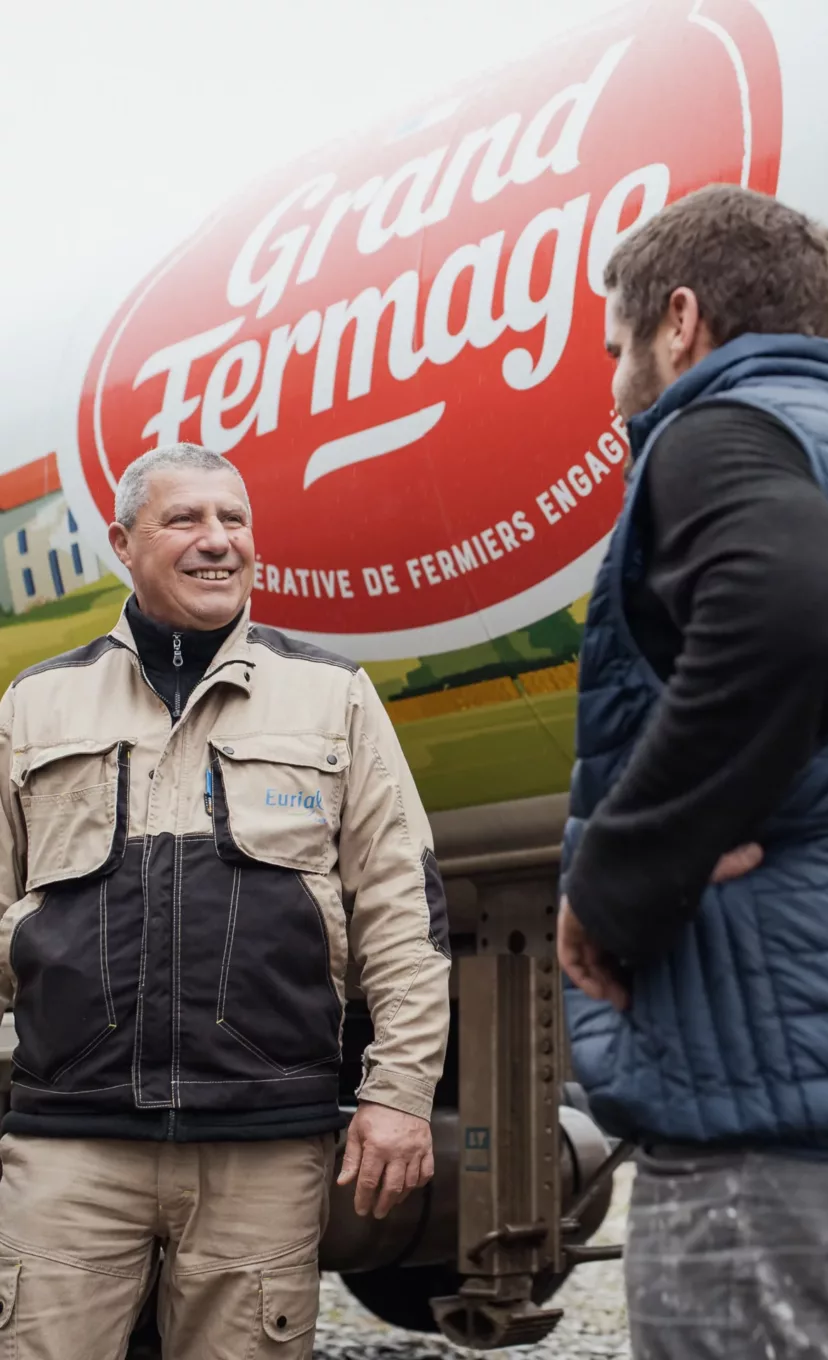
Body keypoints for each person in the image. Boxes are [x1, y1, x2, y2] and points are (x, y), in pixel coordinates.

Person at [558, 185, 828, 1360]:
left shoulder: (719, 433)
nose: (614, 384)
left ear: (677, 321)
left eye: (614, 349)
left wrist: (627, 873)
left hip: (772, 1127)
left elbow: (785, 620)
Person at [0, 443, 450, 1359]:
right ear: (124, 543)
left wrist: (399, 1095)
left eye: (234, 520)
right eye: (186, 520)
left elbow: (403, 911)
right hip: (71, 1145)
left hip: (263, 1145)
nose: (218, 542)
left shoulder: (335, 698)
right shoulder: (36, 707)